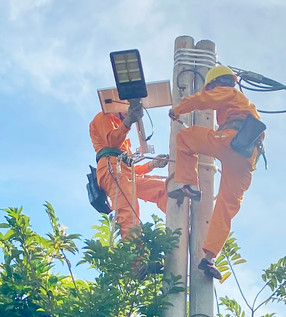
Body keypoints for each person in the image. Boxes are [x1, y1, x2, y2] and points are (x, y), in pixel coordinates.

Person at [168, 65, 265, 280]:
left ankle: (189, 185)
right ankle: (209, 257)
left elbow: (203, 100)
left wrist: (178, 109)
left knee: (185, 137)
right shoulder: (247, 106)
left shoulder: (229, 93)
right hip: (247, 159)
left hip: (230, 141)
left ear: (215, 84)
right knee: (226, 208)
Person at [89, 104, 169, 240]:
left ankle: (180, 222)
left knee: (162, 189)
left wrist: (151, 164)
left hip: (122, 171)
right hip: (110, 168)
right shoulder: (103, 116)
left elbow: (129, 169)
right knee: (128, 212)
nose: (128, 114)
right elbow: (112, 141)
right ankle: (133, 251)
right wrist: (128, 122)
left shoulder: (121, 132)